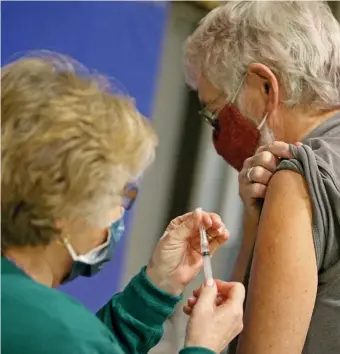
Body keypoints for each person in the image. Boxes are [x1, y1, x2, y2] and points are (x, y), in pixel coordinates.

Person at [1, 53, 245, 354]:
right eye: (118, 194)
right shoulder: (59, 332)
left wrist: (156, 288)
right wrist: (203, 347)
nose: (118, 213)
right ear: (63, 208)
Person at [183, 1, 340, 354]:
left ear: (265, 87)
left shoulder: (295, 177)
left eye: (215, 113)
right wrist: (255, 217)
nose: (218, 132)